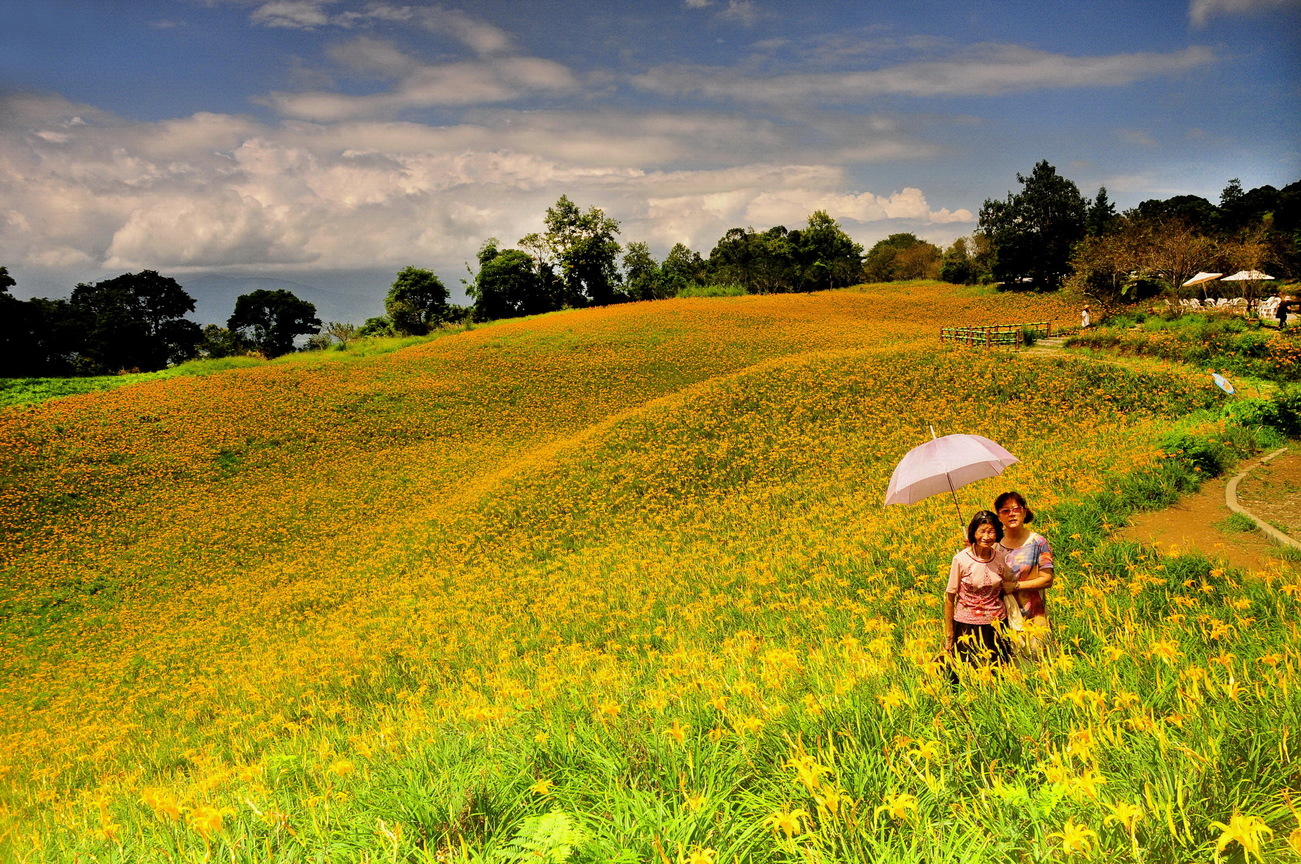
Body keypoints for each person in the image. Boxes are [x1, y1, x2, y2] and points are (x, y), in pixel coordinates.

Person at [944, 510, 1016, 668]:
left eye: (991, 531)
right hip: (966, 626)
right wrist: (949, 634)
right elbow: (949, 598)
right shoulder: (960, 559)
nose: (986, 536)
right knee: (967, 672)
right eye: (982, 531)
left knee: (1000, 671)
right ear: (973, 533)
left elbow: (1009, 581)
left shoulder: (999, 557)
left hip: (997, 624)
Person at [994, 491, 1055, 654]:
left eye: (1016, 509)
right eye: (1005, 511)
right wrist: (973, 548)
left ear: (1025, 511)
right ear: (999, 517)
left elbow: (1047, 580)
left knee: (1038, 663)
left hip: (1034, 616)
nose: (1011, 514)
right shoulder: (995, 546)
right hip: (1004, 618)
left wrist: (1014, 586)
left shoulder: (1037, 542)